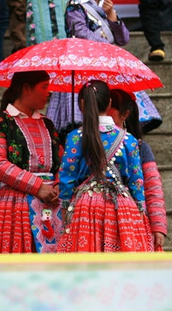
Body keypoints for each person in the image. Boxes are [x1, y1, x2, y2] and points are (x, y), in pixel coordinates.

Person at [62, 0, 161, 133]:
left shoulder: (106, 6)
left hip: (107, 64)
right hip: (85, 65)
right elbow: (81, 33)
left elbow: (123, 39)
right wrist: (108, 47)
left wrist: (112, 16)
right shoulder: (75, 5)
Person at [58, 80, 152, 253]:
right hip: (121, 206)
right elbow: (136, 179)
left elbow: (67, 174)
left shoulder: (75, 137)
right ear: (109, 103)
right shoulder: (128, 139)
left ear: (82, 104)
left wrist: (64, 205)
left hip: (86, 207)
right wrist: (140, 207)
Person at [0, 70, 61, 253]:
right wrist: (36, 186)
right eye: (44, 87)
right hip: (16, 205)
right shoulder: (1, 122)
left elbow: (61, 161)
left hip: (51, 205)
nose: (48, 92)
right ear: (26, 88)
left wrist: (58, 184)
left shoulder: (48, 124)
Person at [108, 89, 166, 250]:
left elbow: (153, 187)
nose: (104, 111)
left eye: (111, 107)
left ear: (125, 114)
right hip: (100, 220)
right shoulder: (88, 142)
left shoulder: (140, 147)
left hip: (134, 221)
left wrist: (158, 227)